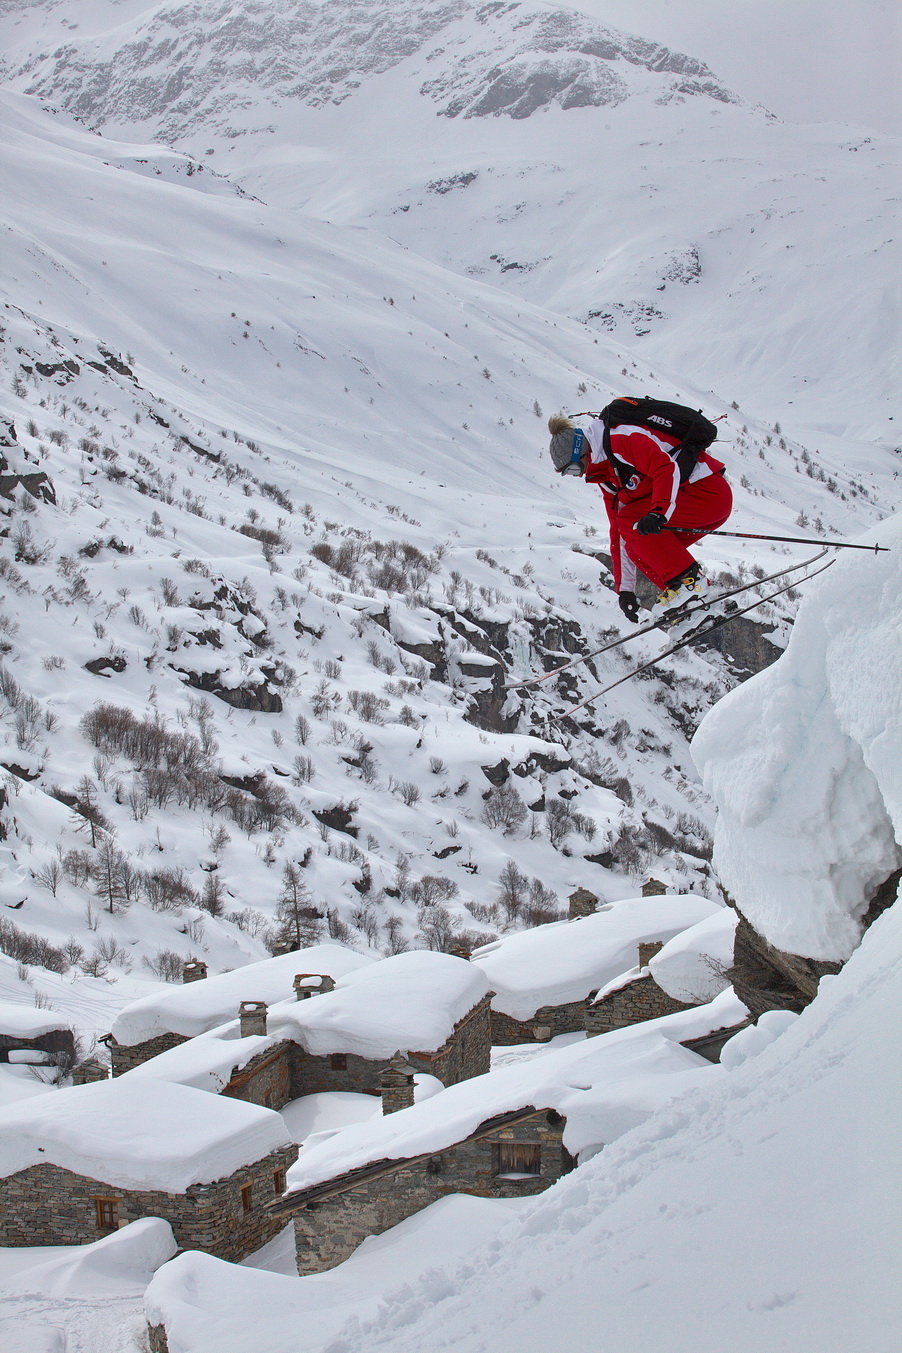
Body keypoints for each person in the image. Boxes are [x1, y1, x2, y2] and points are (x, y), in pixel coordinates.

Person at [548, 410, 732, 622]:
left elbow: (665, 468)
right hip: (692, 506)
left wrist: (658, 513)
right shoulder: (607, 477)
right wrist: (625, 589)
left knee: (631, 519)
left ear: (581, 451)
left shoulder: (621, 440)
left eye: (574, 469)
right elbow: (619, 532)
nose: (578, 475)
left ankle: (690, 584)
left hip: (706, 493)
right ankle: (697, 609)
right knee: (635, 547)